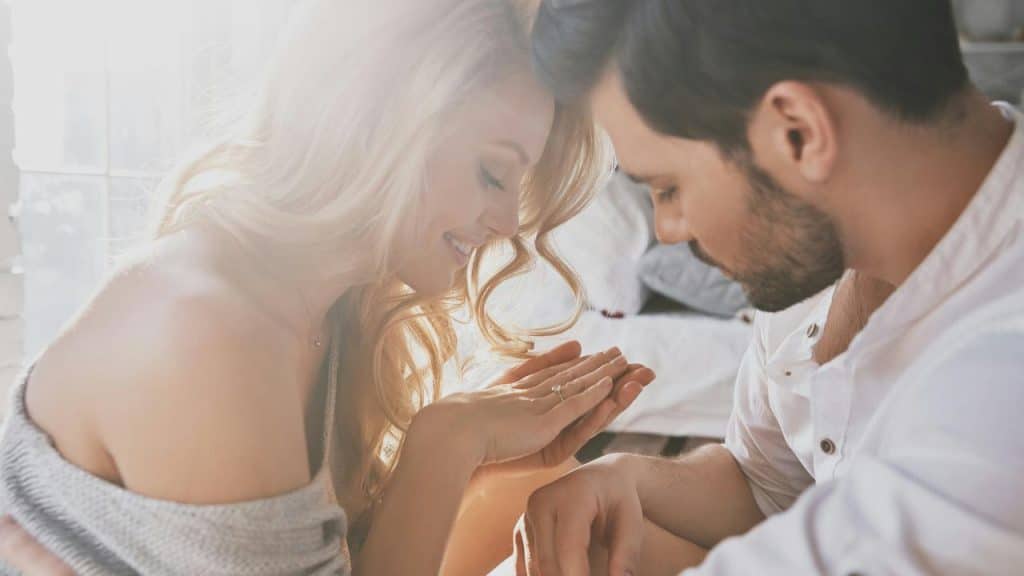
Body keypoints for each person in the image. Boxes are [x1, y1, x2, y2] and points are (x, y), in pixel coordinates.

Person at [0, 0, 657, 574]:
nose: (510, 222)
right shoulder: (206, 333)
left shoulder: (335, 308)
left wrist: (478, 458)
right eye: (492, 173)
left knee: (572, 504)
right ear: (374, 126)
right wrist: (448, 440)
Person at [514, 0, 1024, 574]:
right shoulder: (819, 249)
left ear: (798, 133)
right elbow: (769, 485)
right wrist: (625, 477)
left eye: (668, 188)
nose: (667, 232)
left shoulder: (999, 383)